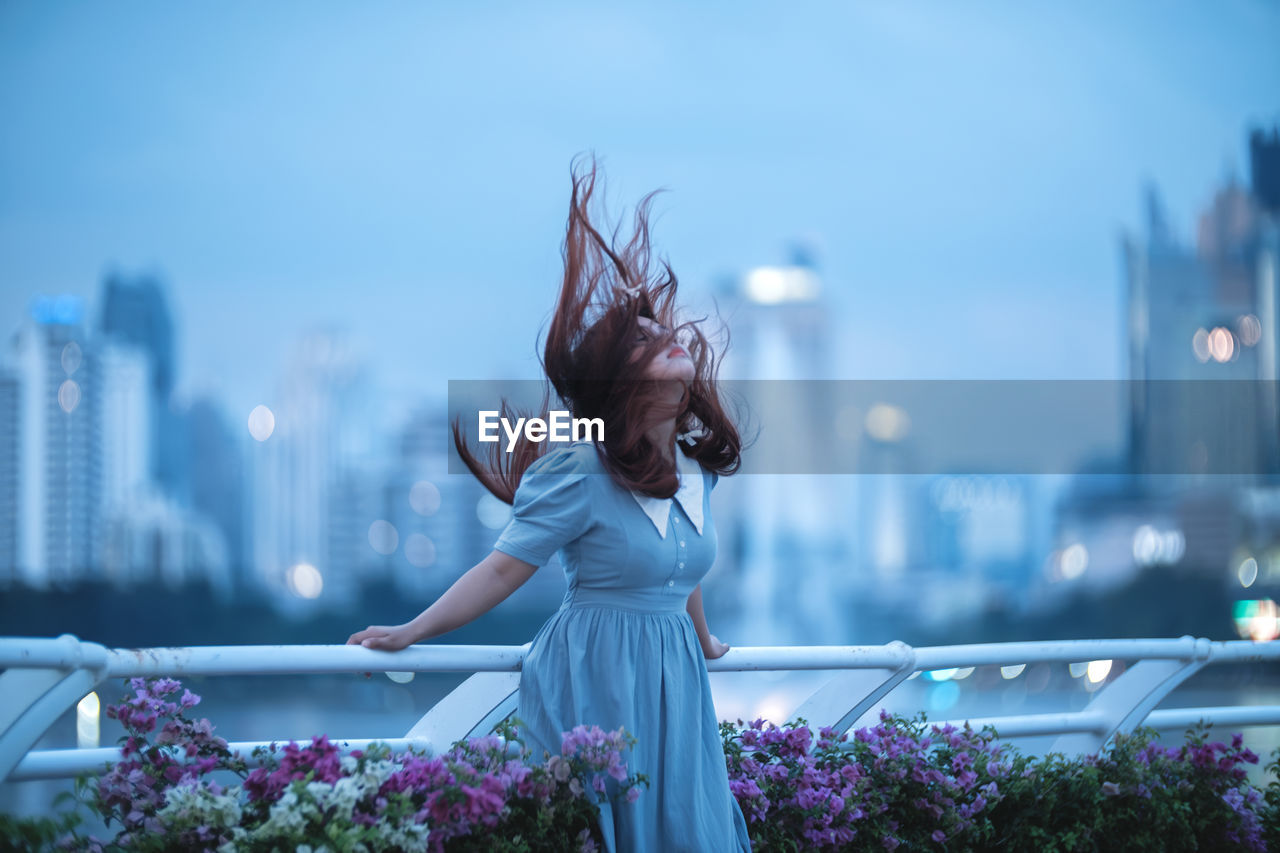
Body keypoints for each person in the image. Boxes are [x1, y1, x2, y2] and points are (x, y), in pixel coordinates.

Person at [347, 155, 752, 852]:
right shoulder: (579, 469)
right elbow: (505, 569)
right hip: (593, 675)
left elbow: (678, 572)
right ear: (621, 380)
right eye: (648, 341)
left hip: (674, 679)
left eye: (667, 332)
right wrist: (411, 631)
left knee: (684, 825)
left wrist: (706, 640)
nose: (672, 338)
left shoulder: (696, 472)